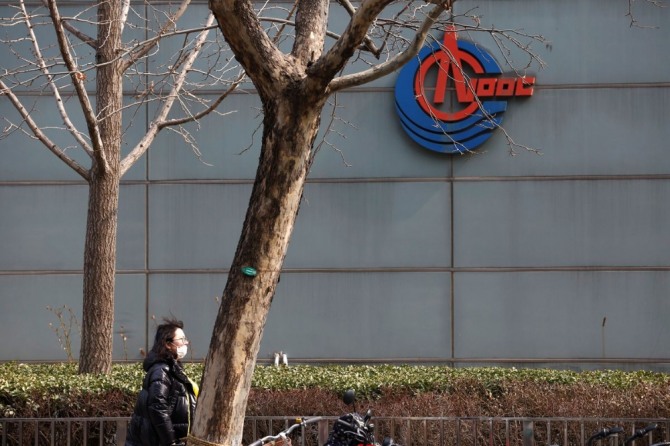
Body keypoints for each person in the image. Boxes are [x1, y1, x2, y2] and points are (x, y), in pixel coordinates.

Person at [125, 318, 198, 446]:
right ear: (168, 344)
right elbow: (158, 408)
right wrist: (171, 442)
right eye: (181, 339)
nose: (186, 343)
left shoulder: (172, 369)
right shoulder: (162, 370)